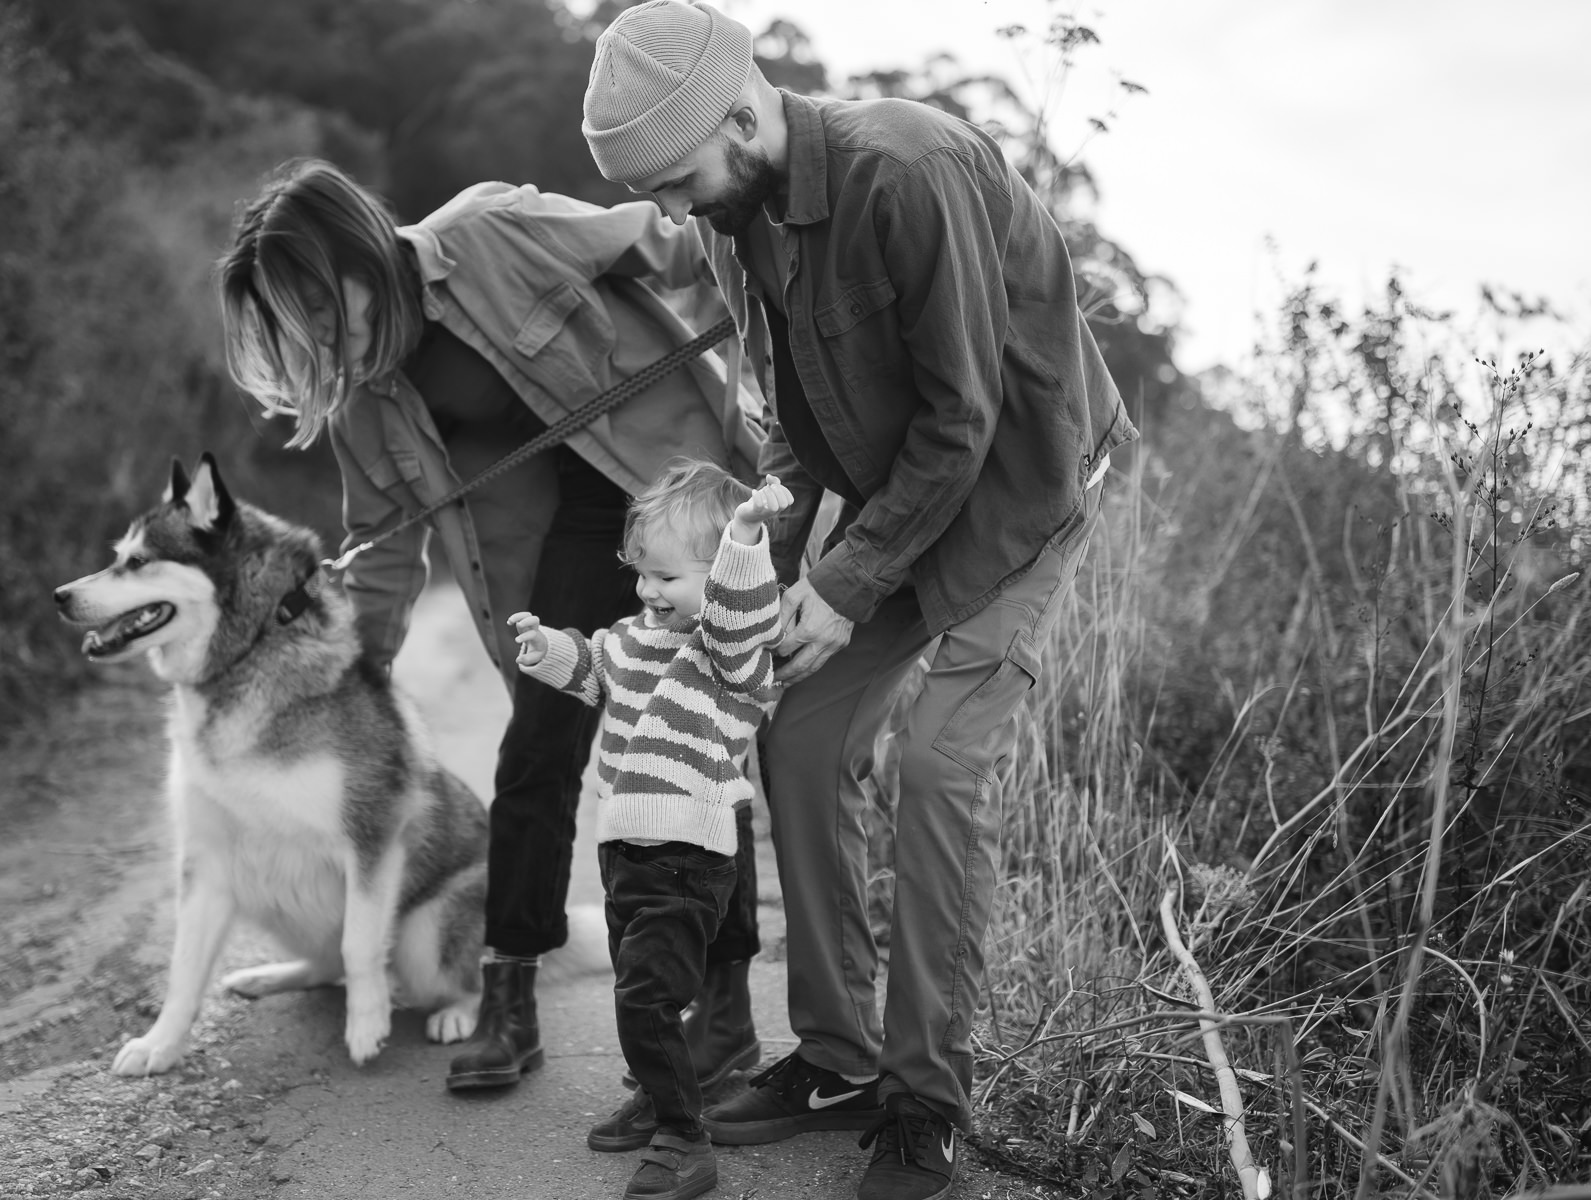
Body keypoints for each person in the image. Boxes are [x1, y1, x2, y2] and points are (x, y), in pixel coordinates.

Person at [581, 6, 1140, 1199]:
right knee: (800, 732)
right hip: (903, 499)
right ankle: (835, 1060)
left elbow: (963, 421)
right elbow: (797, 421)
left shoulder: (907, 169)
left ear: (741, 117)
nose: (676, 211)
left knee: (935, 766)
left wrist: (840, 583)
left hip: (1021, 485)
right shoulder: (739, 224)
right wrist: (757, 536)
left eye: (678, 182)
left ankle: (922, 1095)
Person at [215, 158, 770, 1096]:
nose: (321, 338)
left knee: (700, 749)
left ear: (361, 249)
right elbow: (381, 547)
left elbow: (671, 245)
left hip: (676, 499)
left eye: (321, 307)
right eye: (295, 325)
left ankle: (724, 1010)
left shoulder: (493, 231)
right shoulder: (360, 401)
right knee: (536, 758)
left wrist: (782, 277)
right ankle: (510, 997)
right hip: (565, 542)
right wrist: (353, 688)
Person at [509, 459, 791, 1200]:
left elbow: (742, 608)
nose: (647, 591)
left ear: (715, 578)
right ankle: (663, 1090)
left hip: (687, 853)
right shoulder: (635, 638)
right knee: (646, 986)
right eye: (640, 574)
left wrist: (743, 537)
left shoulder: (726, 655)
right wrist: (547, 649)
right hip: (625, 851)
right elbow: (595, 668)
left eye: (667, 577)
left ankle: (682, 1137)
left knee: (644, 996)